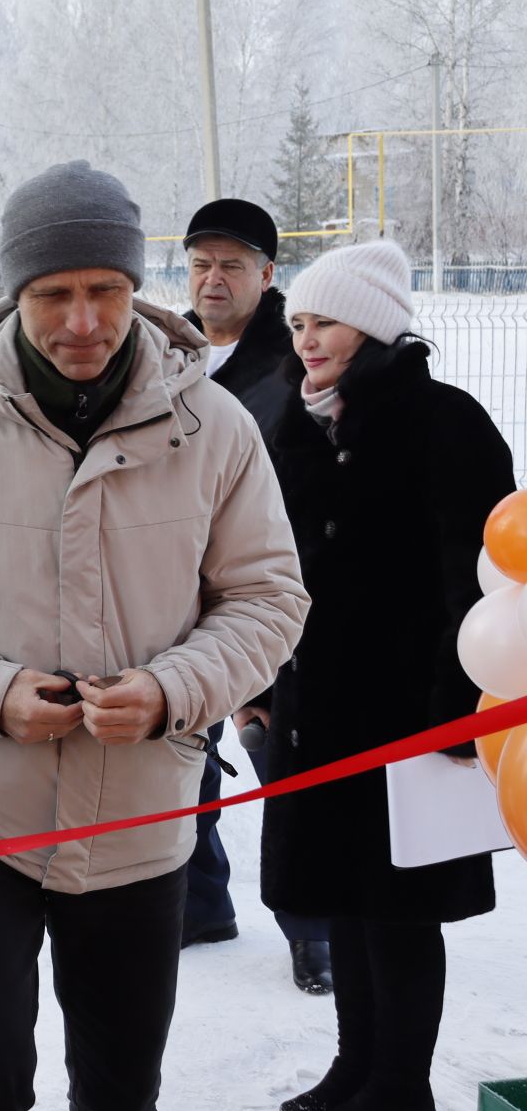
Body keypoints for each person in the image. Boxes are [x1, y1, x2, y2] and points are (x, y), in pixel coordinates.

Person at [0, 160, 309, 1111]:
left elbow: (267, 596)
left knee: (122, 1093)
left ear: (135, 288)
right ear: (16, 293)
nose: (82, 320)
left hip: (138, 819)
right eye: (55, 294)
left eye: (105, 291)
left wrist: (174, 688)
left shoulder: (211, 427)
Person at [258, 239, 512, 1111]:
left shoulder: (445, 420)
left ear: (370, 322)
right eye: (296, 324)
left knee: (400, 914)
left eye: (322, 320)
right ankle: (354, 1067)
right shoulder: (298, 422)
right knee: (343, 903)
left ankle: (400, 1092)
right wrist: (262, 678)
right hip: (316, 710)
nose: (306, 339)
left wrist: (453, 709)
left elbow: (477, 573)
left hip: (411, 713)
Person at [178, 197, 332, 993]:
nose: (213, 279)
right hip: (173, 587)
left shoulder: (292, 362)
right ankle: (201, 902)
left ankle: (315, 932)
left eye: (232, 265)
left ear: (268, 275)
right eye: (201, 262)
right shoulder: (163, 353)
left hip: (267, 596)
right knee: (178, 749)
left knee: (281, 759)